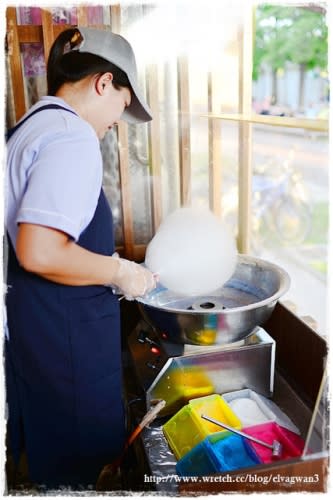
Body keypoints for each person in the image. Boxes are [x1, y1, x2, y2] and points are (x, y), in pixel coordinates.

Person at [5, 27, 157, 490]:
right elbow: (40, 250)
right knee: (82, 468)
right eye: (122, 105)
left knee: (55, 459)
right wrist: (119, 271)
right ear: (103, 82)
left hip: (40, 330)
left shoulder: (33, 124)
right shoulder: (72, 136)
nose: (118, 122)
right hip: (65, 340)